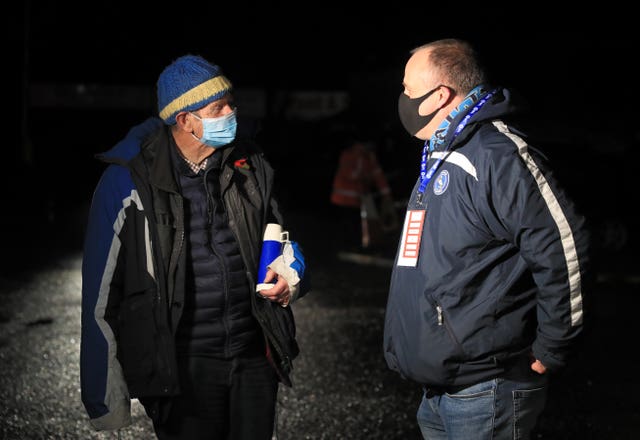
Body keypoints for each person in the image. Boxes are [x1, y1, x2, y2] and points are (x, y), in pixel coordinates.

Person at [80, 54, 310, 440]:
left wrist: (291, 274)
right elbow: (100, 295)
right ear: (185, 120)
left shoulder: (249, 165)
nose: (231, 113)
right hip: (183, 367)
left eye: (230, 103)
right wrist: (104, 397)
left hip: (253, 357)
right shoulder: (127, 182)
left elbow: (285, 238)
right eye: (218, 107)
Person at [382, 38, 591, 439]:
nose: (402, 99)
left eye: (408, 89)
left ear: (439, 95)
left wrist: (553, 346)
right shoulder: (442, 152)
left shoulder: (498, 154)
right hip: (441, 385)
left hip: (486, 387)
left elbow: (565, 245)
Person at [329, 129, 397, 251]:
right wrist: (365, 173)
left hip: (356, 199)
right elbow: (350, 174)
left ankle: (358, 246)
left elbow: (378, 175)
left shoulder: (369, 157)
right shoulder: (350, 154)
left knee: (357, 225)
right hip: (343, 199)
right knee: (346, 226)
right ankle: (345, 247)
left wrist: (386, 195)